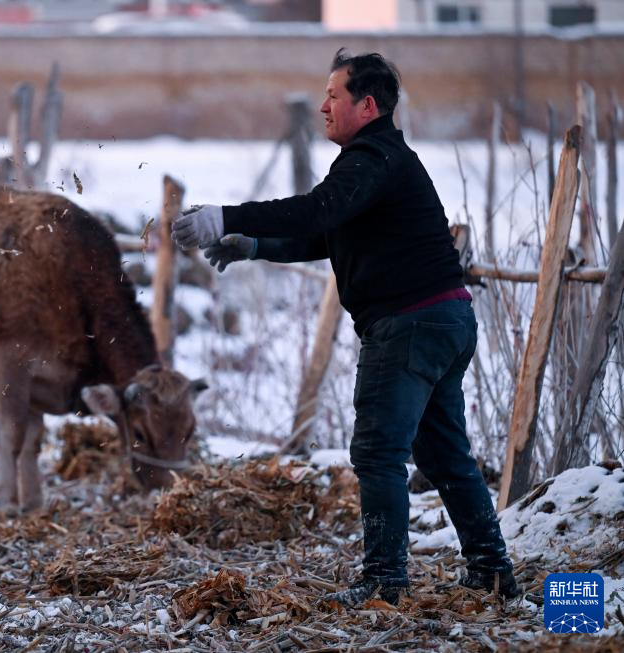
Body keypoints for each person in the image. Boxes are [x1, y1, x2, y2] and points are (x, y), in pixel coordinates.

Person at [171, 48, 518, 607]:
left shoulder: (370, 158)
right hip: (444, 318)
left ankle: (385, 580)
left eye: (334, 95)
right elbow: (327, 233)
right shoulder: (382, 162)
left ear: (368, 105)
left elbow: (315, 211)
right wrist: (254, 245)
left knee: (378, 452)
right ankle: (493, 572)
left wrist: (226, 216)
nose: (323, 106)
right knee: (444, 455)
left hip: (408, 324)